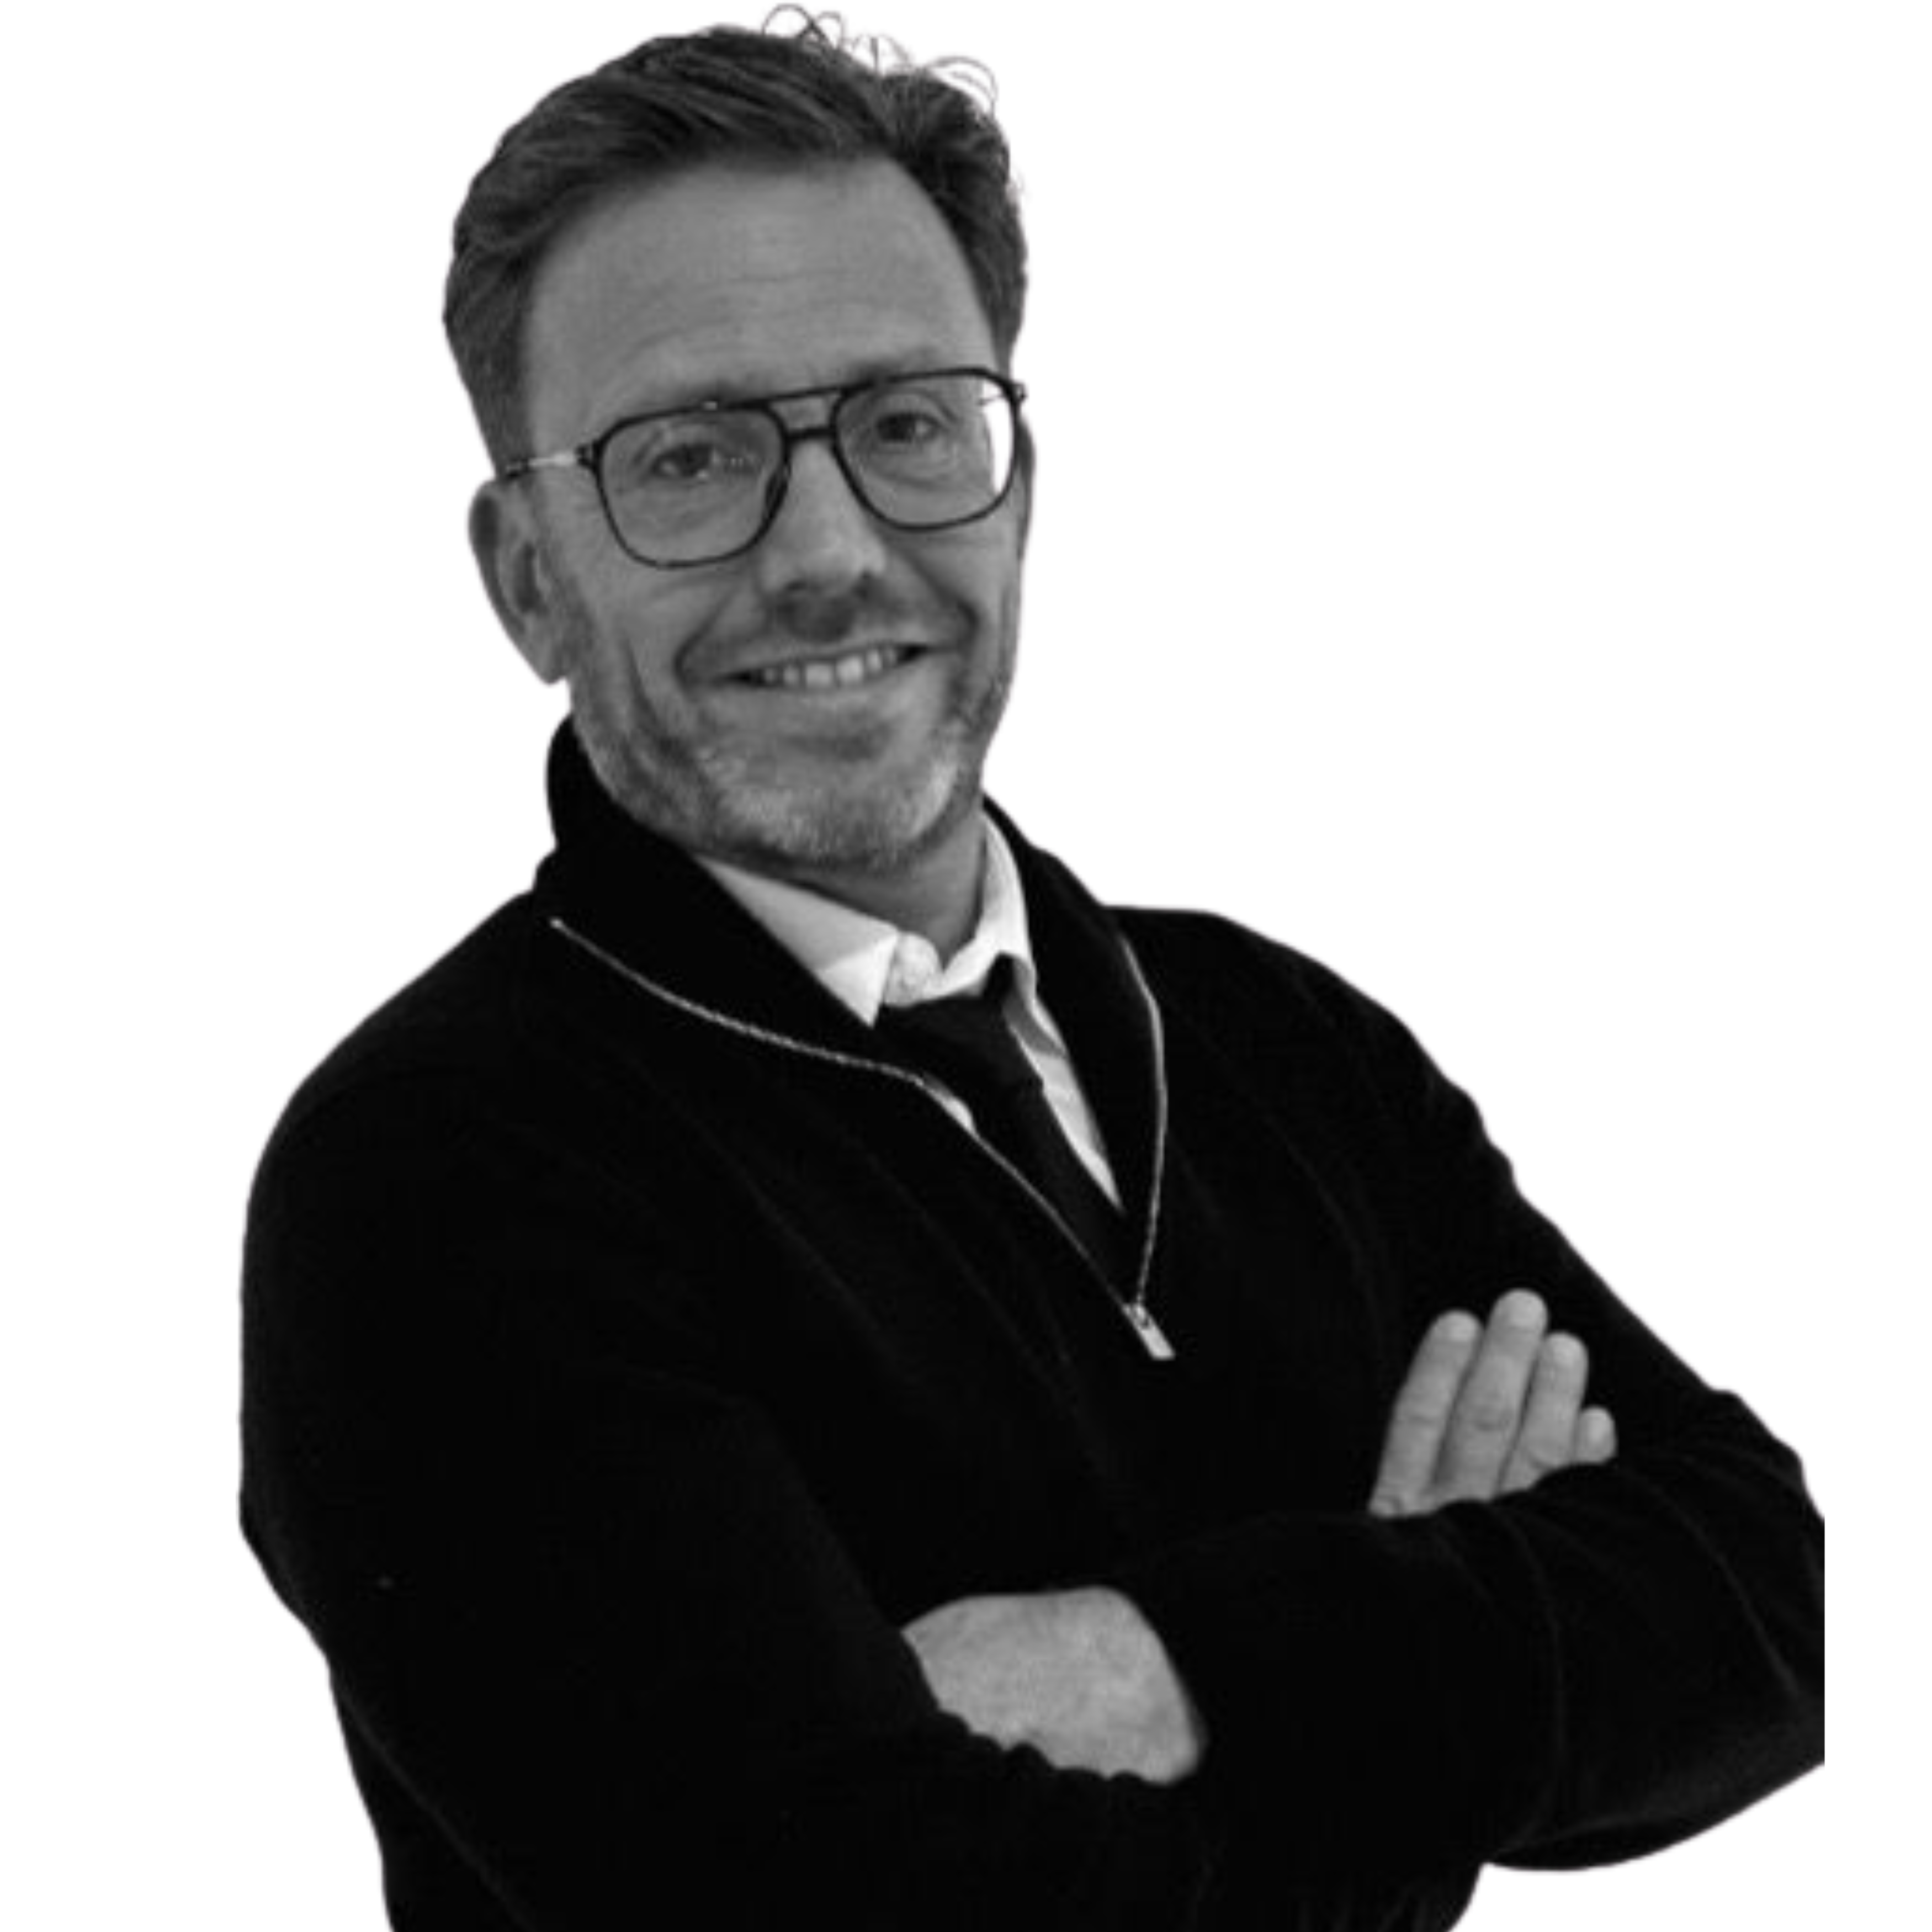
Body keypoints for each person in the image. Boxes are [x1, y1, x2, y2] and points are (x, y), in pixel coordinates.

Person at [234, 19, 1825, 1929]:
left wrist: (1152, 1665)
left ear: (1019, 483)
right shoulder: (433, 1170)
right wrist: (1458, 1689)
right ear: (522, 579)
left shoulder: (1277, 1037)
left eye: (906, 423)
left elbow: (1774, 1597)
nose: (826, 552)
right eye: (689, 457)